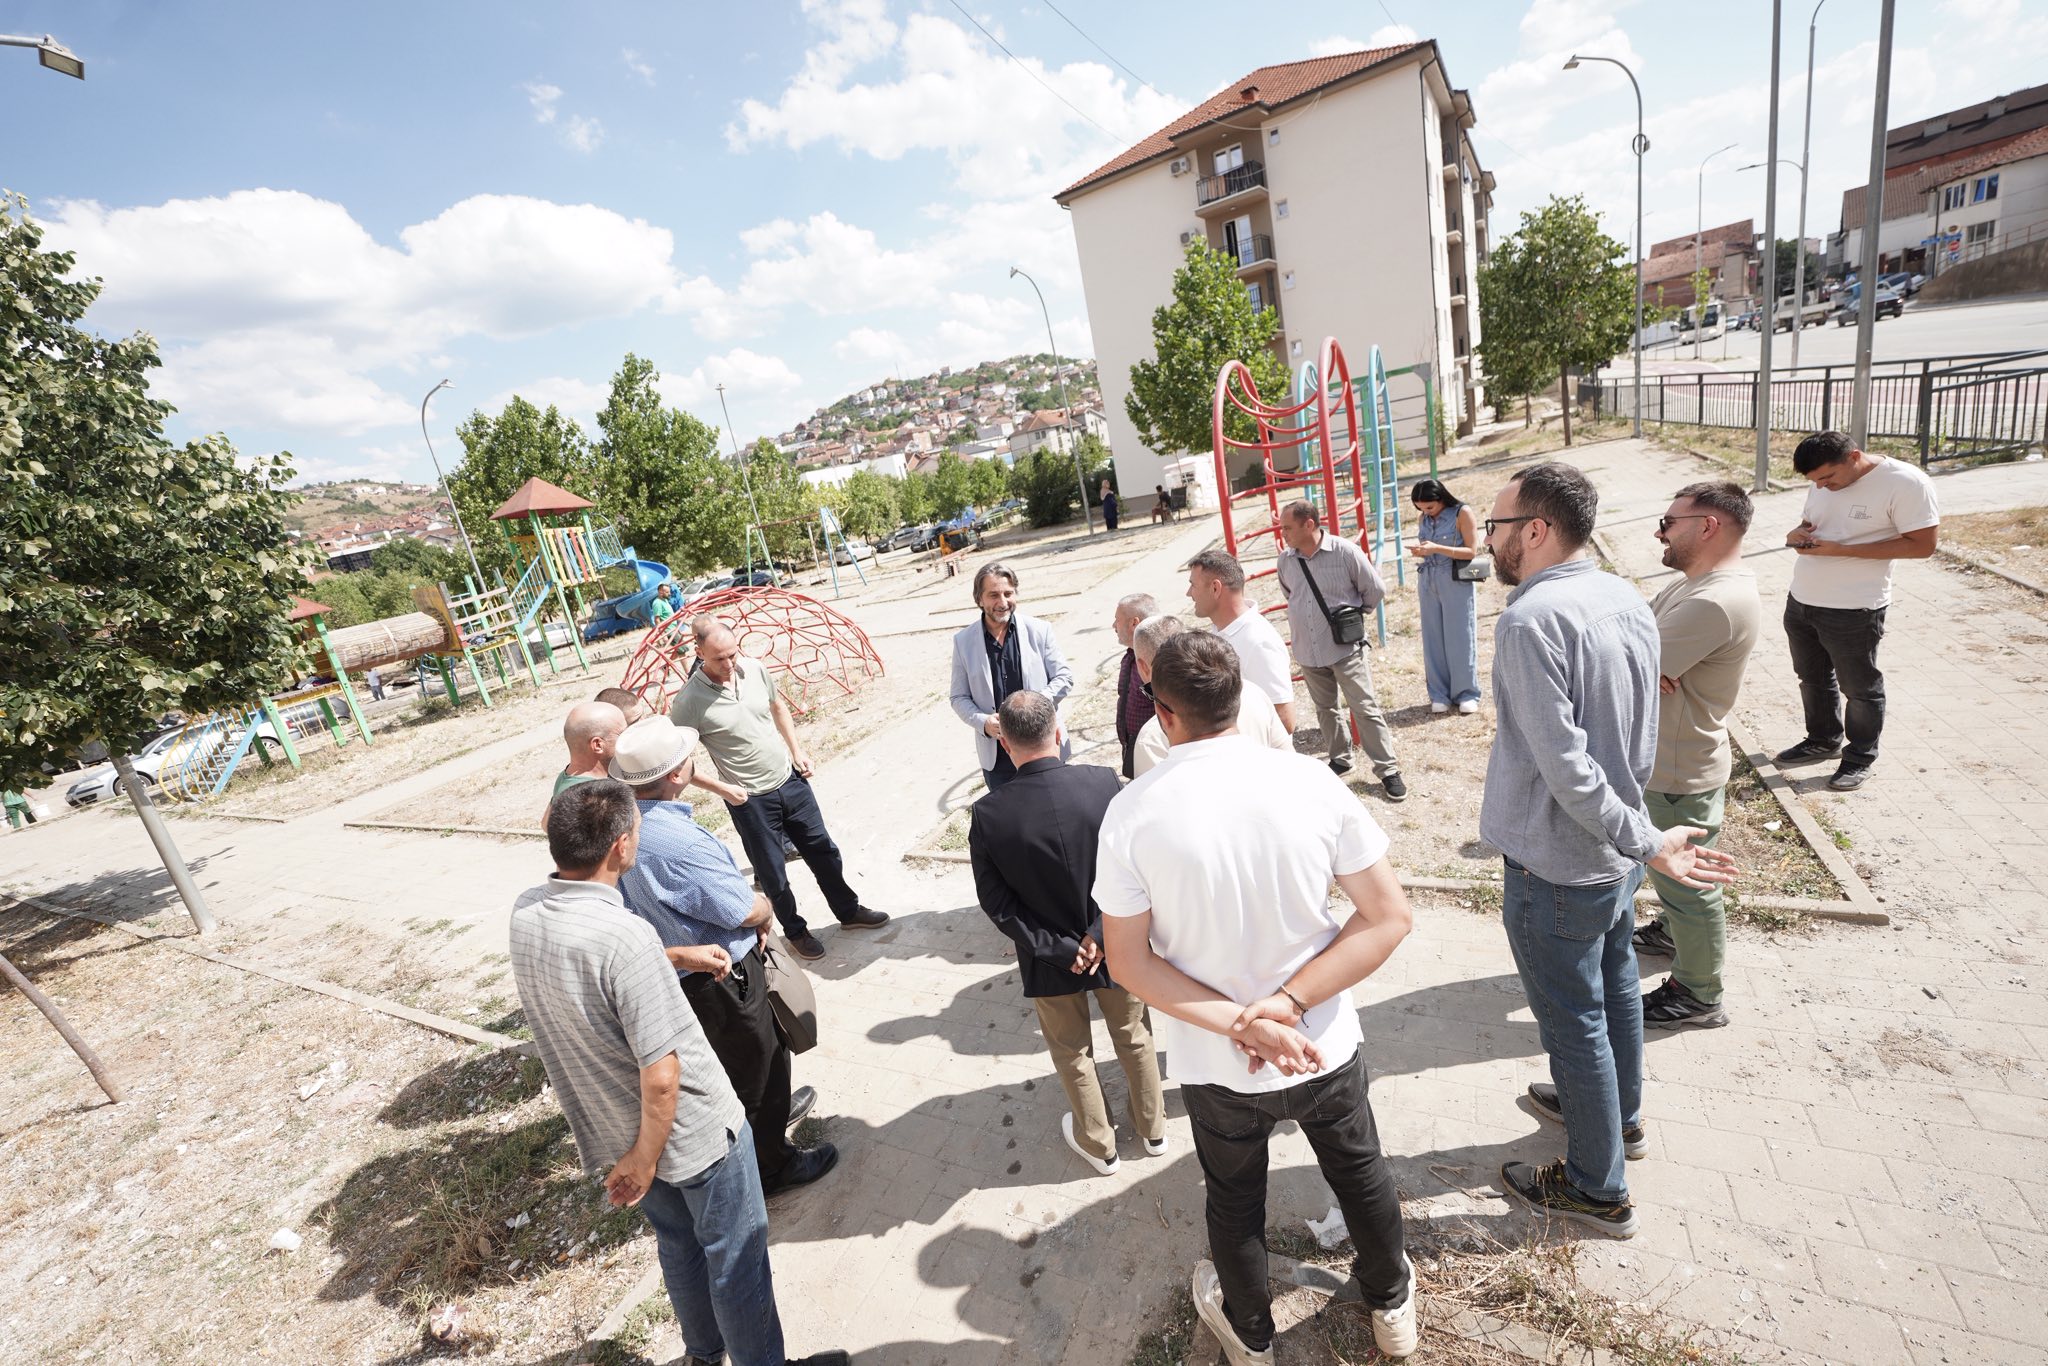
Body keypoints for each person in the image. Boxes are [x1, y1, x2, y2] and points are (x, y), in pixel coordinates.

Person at [1095, 631, 1421, 1364]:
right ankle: (1391, 1303)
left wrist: (1244, 1023)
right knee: (1359, 1172)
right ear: (1239, 697)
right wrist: (1289, 1005)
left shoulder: (1133, 812)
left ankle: (1250, 1336)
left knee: (1235, 1200)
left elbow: (1128, 961)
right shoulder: (1310, 781)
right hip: (1321, 1042)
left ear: (1162, 712)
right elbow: (1389, 917)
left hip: (1218, 1062)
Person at [1478, 462, 1737, 1239]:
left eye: (1496, 527)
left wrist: (1644, 840)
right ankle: (1618, 1120)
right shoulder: (1624, 595)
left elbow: (1566, 767)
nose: (1487, 542)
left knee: (1574, 1021)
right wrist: (1638, 835)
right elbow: (1636, 736)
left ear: (1535, 529)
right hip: (1610, 853)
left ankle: (1596, 1186)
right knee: (1616, 984)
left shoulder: (1531, 621)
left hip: (1561, 861)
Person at [509, 781, 849, 1366]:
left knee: (679, 1244)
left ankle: (702, 1354)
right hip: (692, 1136)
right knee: (737, 1258)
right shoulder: (626, 937)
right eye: (637, 828)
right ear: (620, 847)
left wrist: (675, 955)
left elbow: (604, 972)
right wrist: (646, 1159)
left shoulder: (527, 912)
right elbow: (663, 1075)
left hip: (617, 1129)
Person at [611, 716, 838, 1200]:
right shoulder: (680, 842)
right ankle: (772, 1167)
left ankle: (765, 1128)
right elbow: (740, 908)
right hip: (721, 979)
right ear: (678, 773)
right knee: (760, 1067)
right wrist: (766, 908)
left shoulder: (622, 827)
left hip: (678, 976)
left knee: (732, 1069)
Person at [969, 691, 1165, 1175]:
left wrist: (1057, 947)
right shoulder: (1103, 783)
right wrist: (1100, 929)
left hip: (1049, 958)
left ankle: (1100, 1145)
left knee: (1072, 1051)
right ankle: (1153, 1129)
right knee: (1134, 1035)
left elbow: (997, 904)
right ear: (1059, 733)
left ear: (1005, 745)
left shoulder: (989, 814)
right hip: (1116, 940)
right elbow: (1136, 864)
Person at [671, 616, 888, 961]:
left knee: (824, 851)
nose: (728, 664)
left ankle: (848, 911)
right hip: (749, 800)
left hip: (790, 780)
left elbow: (778, 707)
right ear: (699, 653)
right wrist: (723, 789)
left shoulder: (755, 669)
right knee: (774, 874)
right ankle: (796, 932)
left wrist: (797, 751)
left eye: (732, 654)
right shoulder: (689, 701)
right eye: (719, 659)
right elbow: (676, 761)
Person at [1631, 482, 1761, 1032]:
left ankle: (1698, 994)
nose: (1659, 531)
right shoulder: (1695, 586)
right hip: (1673, 757)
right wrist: (1641, 660)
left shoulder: (1712, 601)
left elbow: (1619, 664)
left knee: (1690, 885)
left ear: (1708, 526)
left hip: (1677, 768)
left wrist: (1639, 664)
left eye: (1668, 522)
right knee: (1676, 880)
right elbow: (1633, 641)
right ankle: (1671, 934)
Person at [1776, 430, 1940, 791]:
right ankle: (1823, 740)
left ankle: (1860, 757)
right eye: (1815, 481)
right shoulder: (1822, 482)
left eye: (1827, 478)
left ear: (1854, 457)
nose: (1822, 486)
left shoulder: (1906, 482)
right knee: (1812, 678)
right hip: (1802, 599)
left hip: (1854, 608)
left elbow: (1923, 546)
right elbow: (1813, 523)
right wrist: (1796, 535)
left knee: (1860, 689)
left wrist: (1843, 551)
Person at [1275, 500, 1406, 801]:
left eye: (1288, 527)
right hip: (1308, 650)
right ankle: (1341, 758)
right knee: (1325, 709)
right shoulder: (1286, 561)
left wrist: (1353, 618)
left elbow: (1375, 590)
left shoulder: (1345, 552)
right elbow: (1290, 594)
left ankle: (1388, 769)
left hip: (1344, 648)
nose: (1283, 534)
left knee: (1364, 708)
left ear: (1309, 524)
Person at [949, 562, 1074, 791]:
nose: (1003, 602)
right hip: (998, 758)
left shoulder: (1040, 630)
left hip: (1045, 748)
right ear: (979, 599)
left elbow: (1064, 677)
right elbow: (958, 696)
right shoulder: (963, 641)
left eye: (1008, 593)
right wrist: (983, 722)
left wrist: (1036, 706)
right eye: (993, 595)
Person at [1130, 616, 1289, 777]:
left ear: (1142, 667)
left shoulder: (1151, 739)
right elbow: (1286, 758)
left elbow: (1152, 791)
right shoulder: (1253, 692)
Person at [1185, 548, 1297, 733]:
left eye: (1193, 585)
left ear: (1215, 588)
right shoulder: (1222, 631)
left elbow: (1284, 721)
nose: (1189, 593)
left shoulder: (1258, 642)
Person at [1407, 478, 1482, 715]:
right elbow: (1428, 549)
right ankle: (1439, 694)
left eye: (1429, 507)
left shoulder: (1462, 513)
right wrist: (1421, 551)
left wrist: (1437, 548)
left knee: (1460, 636)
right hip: (1428, 579)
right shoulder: (1423, 518)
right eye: (1420, 508)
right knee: (1433, 639)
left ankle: (1466, 693)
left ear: (1441, 498)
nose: (1426, 512)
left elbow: (1472, 551)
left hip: (1455, 579)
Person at [1111, 592, 1159, 780]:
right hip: (1133, 747)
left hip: (1154, 752)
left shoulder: (1157, 659)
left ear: (1133, 623)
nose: (1113, 626)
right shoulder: (1131, 655)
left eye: (1117, 620)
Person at [553, 700, 628, 801]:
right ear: (597, 745)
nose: (628, 738)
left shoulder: (567, 779)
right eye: (623, 734)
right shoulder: (593, 799)